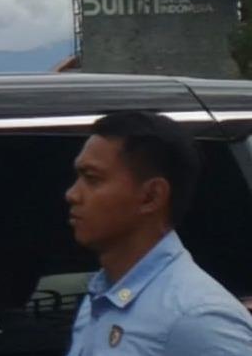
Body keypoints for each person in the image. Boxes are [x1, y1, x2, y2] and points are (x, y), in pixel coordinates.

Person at [64, 111, 252, 355]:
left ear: (151, 196)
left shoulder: (196, 318)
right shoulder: (101, 297)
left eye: (92, 179)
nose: (72, 194)